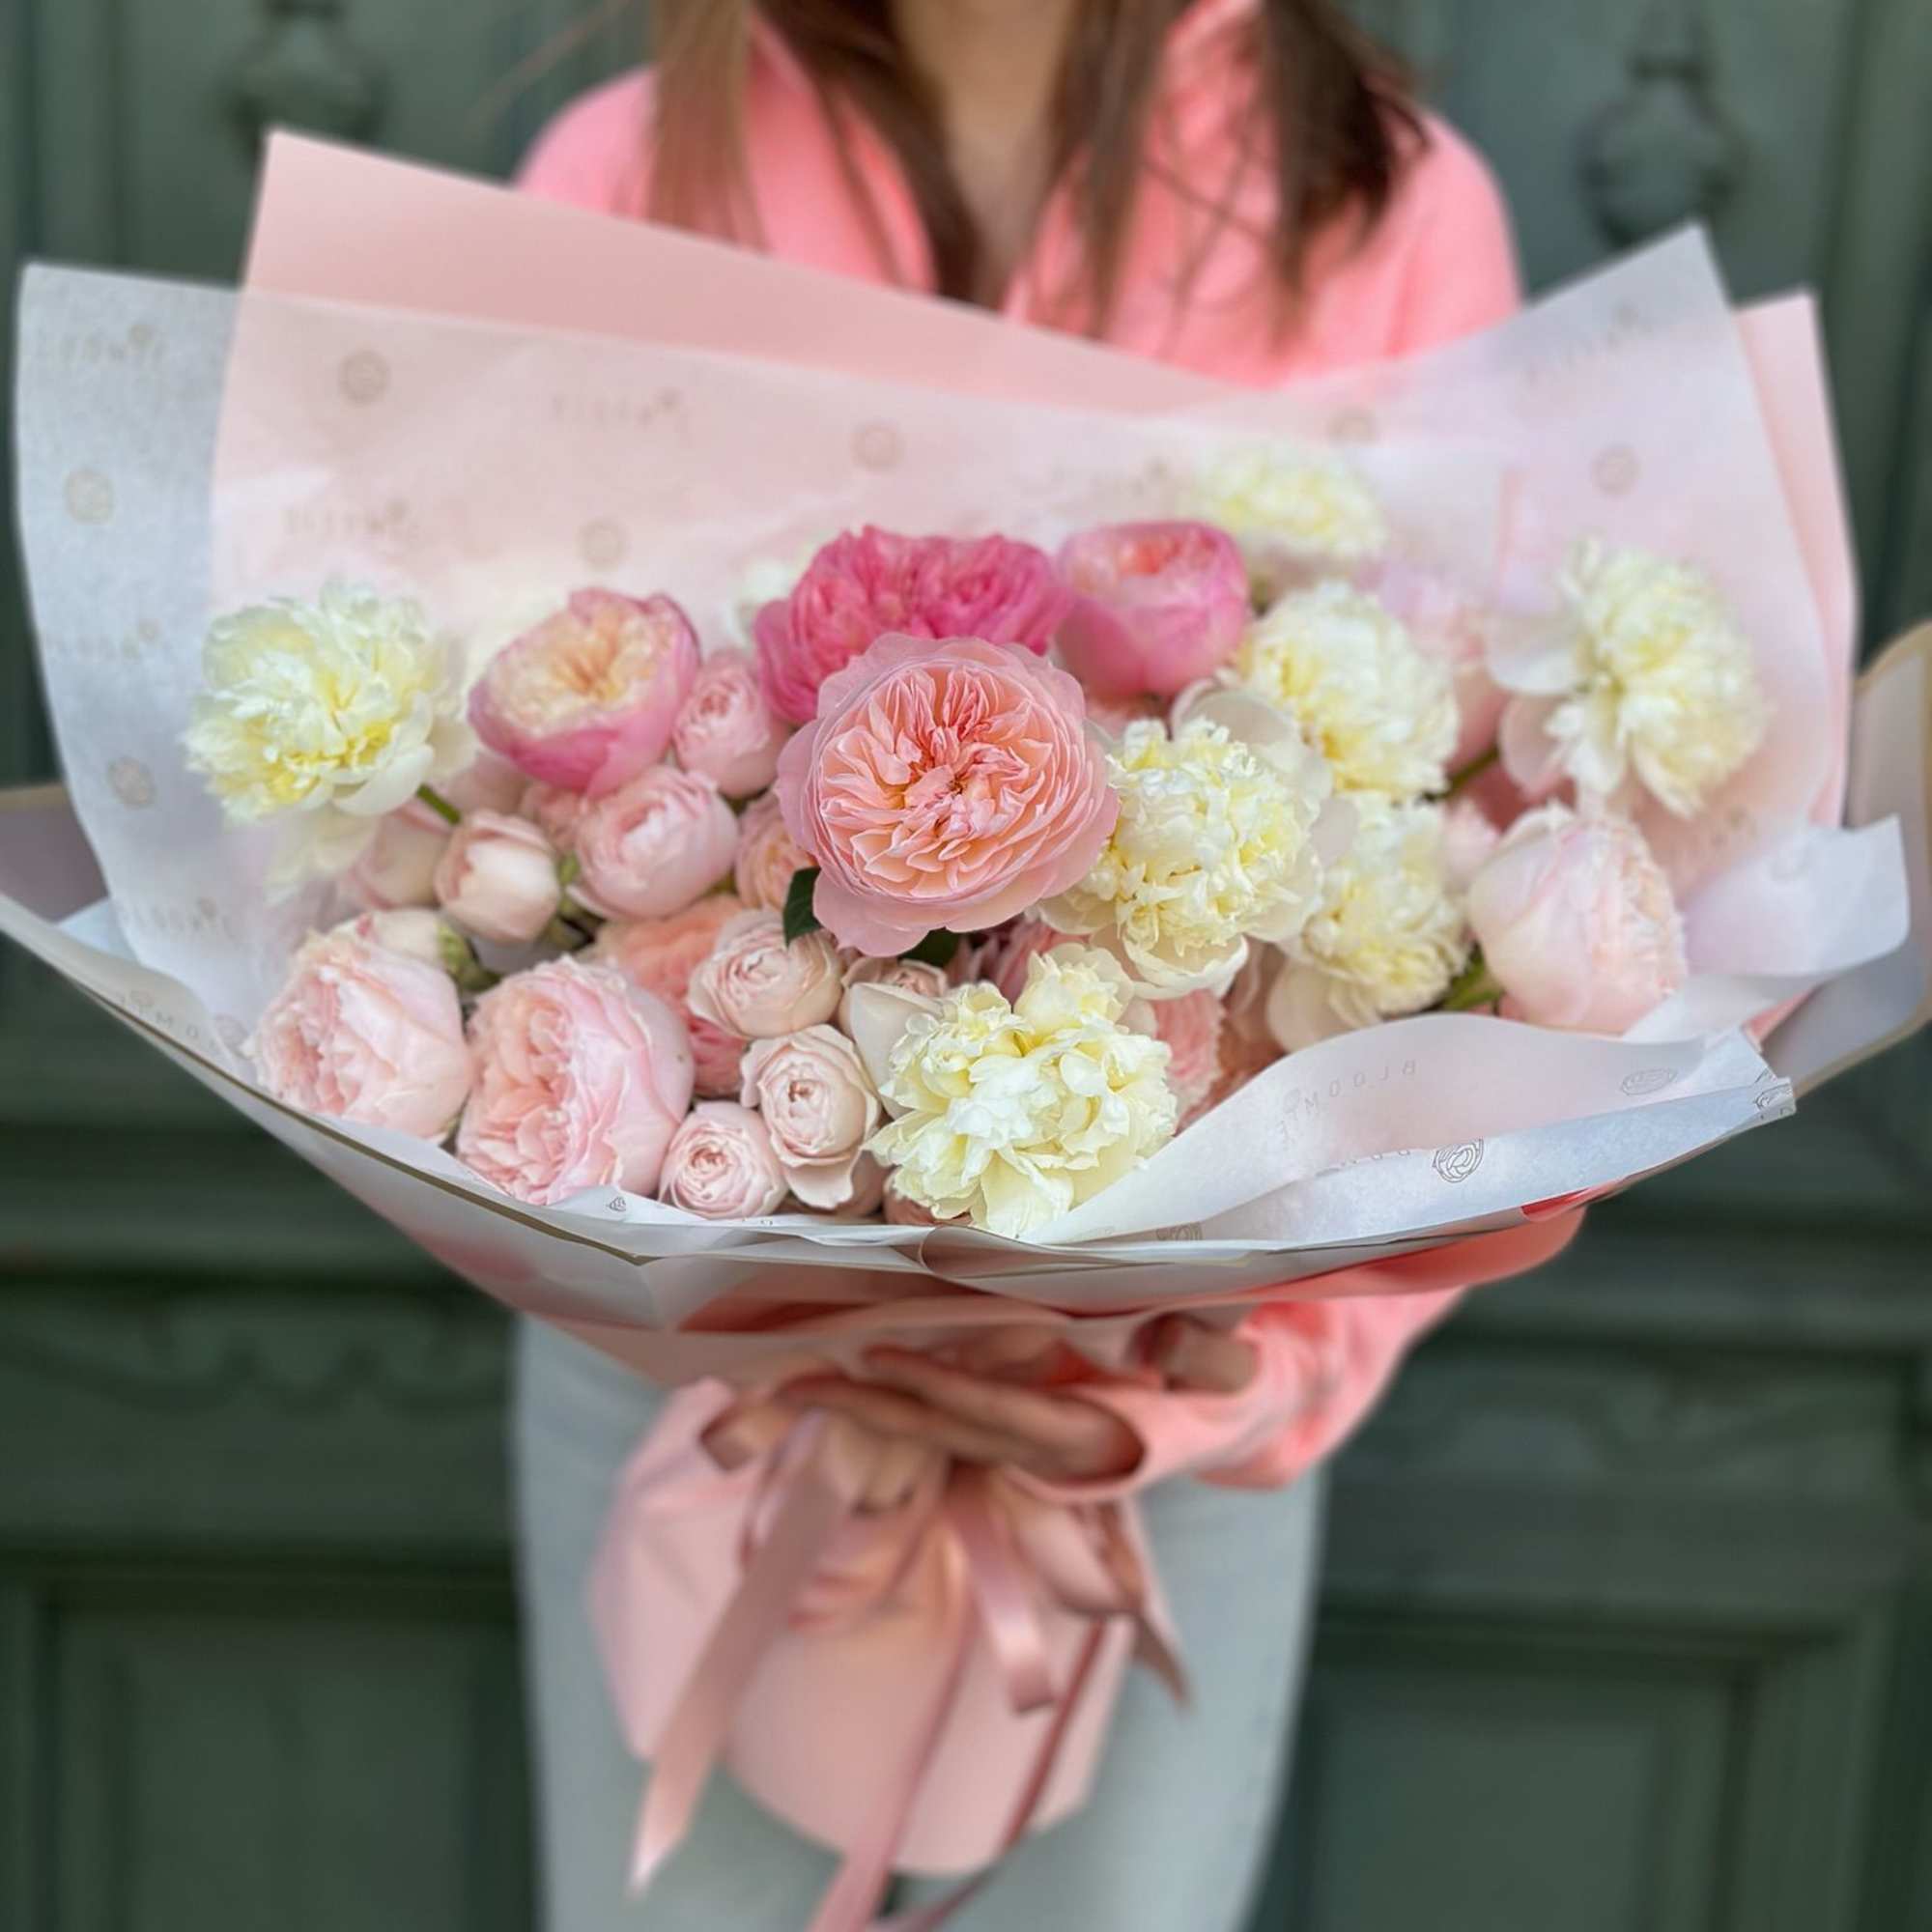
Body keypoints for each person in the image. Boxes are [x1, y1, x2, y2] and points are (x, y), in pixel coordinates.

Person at [512, 3, 1521, 1927]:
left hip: (1168, 1432)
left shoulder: (1377, 216)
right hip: (690, 1408)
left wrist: (1213, 1389)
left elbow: (1484, 898)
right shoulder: (624, 188)